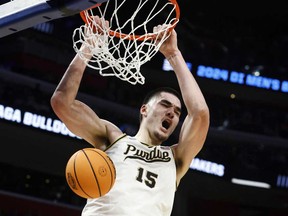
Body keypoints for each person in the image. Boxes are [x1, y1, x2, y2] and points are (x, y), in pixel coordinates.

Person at [50, 17, 210, 216]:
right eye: (165, 104)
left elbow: (200, 114)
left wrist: (173, 54)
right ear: (144, 110)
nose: (172, 112)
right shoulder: (112, 137)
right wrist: (89, 45)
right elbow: (62, 103)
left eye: (177, 112)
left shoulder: (176, 158)